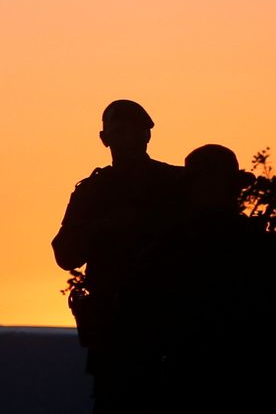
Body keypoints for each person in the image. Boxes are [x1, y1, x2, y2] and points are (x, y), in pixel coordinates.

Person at [51, 99, 183, 414]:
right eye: (118, 130)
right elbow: (65, 253)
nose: (126, 138)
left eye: (132, 130)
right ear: (105, 139)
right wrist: (103, 228)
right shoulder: (93, 191)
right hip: (114, 334)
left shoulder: (175, 184)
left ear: (147, 136)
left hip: (167, 326)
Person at [163, 143, 276, 413]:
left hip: (238, 379)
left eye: (215, 184)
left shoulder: (168, 249)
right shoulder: (168, 250)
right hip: (197, 379)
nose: (210, 191)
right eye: (205, 184)